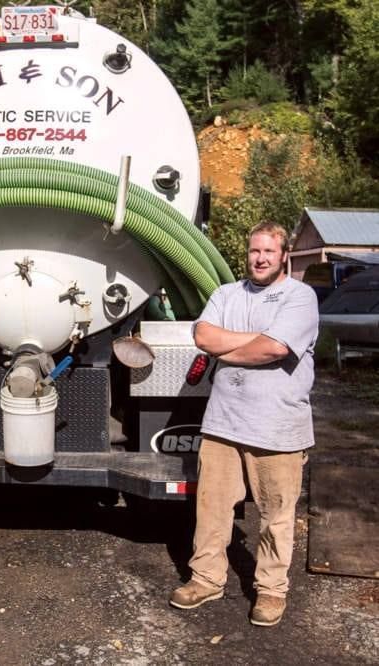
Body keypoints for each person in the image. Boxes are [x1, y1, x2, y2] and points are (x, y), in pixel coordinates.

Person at [169, 221, 319, 627]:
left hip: (278, 427)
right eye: (255, 251)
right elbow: (202, 336)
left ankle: (271, 591)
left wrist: (233, 347)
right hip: (222, 423)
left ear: (284, 254)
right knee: (212, 509)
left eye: (269, 251)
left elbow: (274, 348)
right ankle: (206, 578)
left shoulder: (300, 297)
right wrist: (254, 341)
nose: (261, 258)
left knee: (276, 516)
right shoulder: (225, 293)